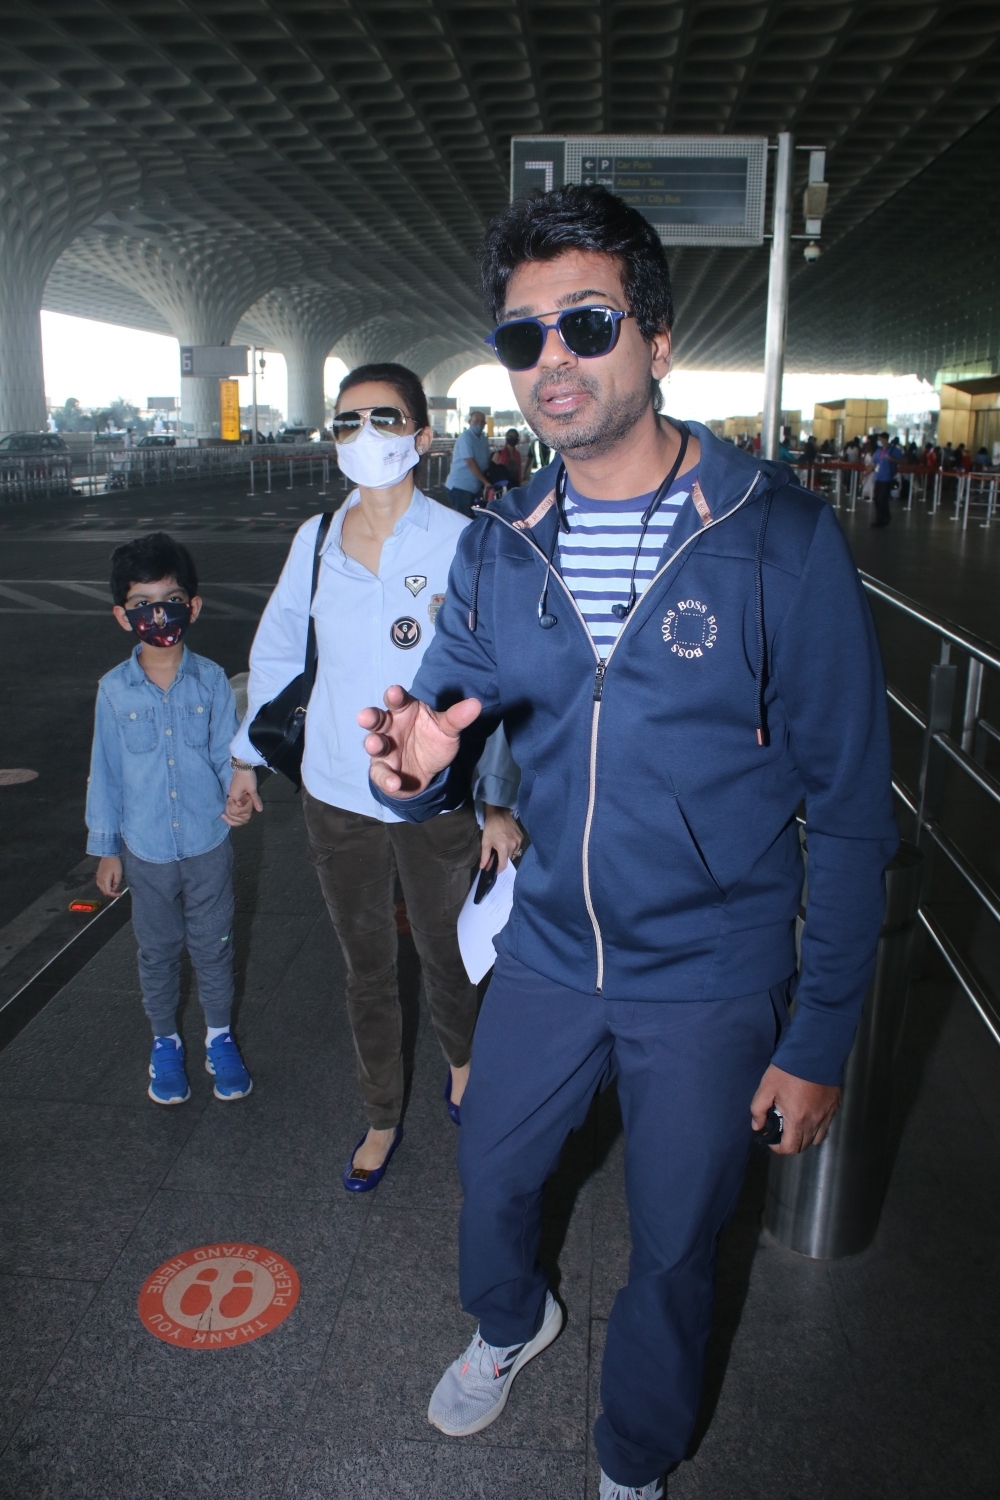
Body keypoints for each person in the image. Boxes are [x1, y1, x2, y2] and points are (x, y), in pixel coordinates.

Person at [358, 185, 897, 1500]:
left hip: (711, 976)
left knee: (674, 1242)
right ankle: (510, 1320)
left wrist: (815, 1037)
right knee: (490, 1178)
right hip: (547, 946)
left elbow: (854, 804)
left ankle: (636, 1455)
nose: (553, 361)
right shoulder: (502, 545)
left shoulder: (774, 539)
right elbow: (443, 729)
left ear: (656, 340)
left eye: (585, 325)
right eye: (522, 338)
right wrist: (420, 770)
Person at [226, 363, 522, 1194]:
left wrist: (497, 800)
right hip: (335, 793)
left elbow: (498, 678)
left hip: (437, 795)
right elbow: (278, 653)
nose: (363, 436)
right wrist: (248, 757)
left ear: (423, 438)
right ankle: (381, 1114)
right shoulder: (316, 538)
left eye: (384, 419)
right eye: (347, 422)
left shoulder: (466, 537)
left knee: (447, 950)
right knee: (364, 966)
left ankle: (464, 1069)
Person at [87, 533, 254, 1106]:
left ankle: (219, 1036)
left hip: (208, 843)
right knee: (156, 952)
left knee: (214, 945)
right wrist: (107, 848)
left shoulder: (211, 681)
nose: (158, 614)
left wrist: (237, 794)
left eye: (172, 599)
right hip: (146, 852)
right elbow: (105, 773)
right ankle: (164, 1042)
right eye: (142, 603)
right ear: (121, 615)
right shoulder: (112, 691)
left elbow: (222, 756)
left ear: (194, 606)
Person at [445, 409, 490, 515]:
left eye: (481, 422)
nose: (478, 424)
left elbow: (486, 460)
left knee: (473, 519)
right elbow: (470, 462)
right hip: (460, 487)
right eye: (476, 421)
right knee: (463, 520)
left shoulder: (483, 439)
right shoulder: (466, 437)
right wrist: (486, 482)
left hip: (475, 487)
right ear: (470, 422)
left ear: (485, 424)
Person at [871, 430, 902, 528]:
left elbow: (902, 460)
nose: (879, 441)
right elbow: (873, 463)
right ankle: (881, 517)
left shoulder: (893, 450)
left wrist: (892, 459)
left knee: (882, 498)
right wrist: (865, 474)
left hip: (887, 478)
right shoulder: (878, 451)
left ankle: (883, 518)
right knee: (876, 498)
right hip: (878, 477)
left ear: (885, 439)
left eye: (880, 439)